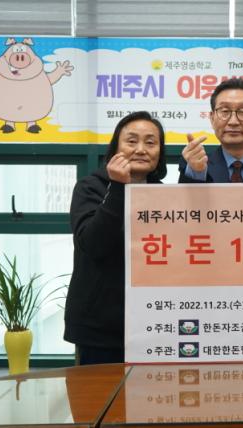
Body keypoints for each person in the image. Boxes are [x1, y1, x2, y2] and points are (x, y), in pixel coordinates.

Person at [64, 111, 167, 365]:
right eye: (131, 141)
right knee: (98, 392)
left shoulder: (164, 195)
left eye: (151, 142)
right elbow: (93, 244)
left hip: (154, 324)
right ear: (115, 149)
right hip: (99, 328)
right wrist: (119, 187)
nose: (141, 149)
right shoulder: (89, 187)